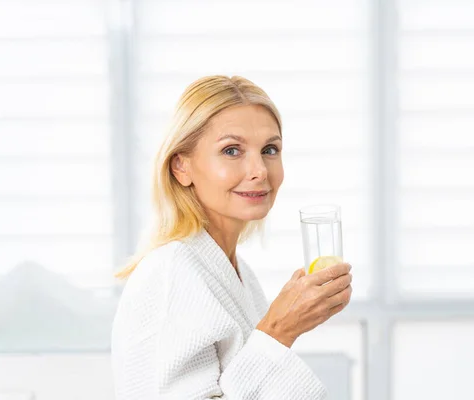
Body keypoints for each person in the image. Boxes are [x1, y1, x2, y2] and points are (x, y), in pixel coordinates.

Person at [111, 75, 353, 399]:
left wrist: (287, 325)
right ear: (181, 167)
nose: (260, 171)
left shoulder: (241, 276)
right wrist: (279, 330)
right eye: (232, 150)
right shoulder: (170, 273)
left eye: (270, 149)